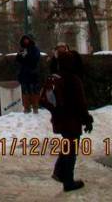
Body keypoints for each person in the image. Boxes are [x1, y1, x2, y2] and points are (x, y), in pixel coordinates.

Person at [50, 52, 93, 192]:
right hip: (72, 120)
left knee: (68, 145)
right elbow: (81, 103)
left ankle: (59, 173)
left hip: (59, 118)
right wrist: (87, 119)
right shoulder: (73, 79)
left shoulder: (56, 77)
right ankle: (68, 181)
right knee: (71, 149)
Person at [16, 34, 41, 114]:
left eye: (27, 39)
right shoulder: (22, 49)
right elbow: (18, 59)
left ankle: (35, 107)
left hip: (33, 73)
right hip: (24, 73)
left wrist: (26, 57)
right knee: (25, 91)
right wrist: (21, 56)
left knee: (34, 91)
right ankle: (26, 107)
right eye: (24, 40)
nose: (25, 41)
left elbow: (35, 59)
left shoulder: (35, 49)